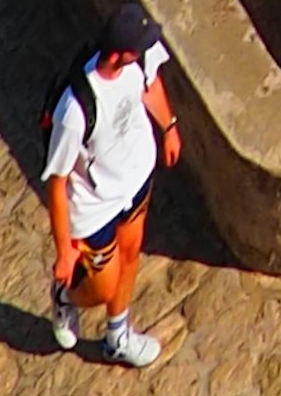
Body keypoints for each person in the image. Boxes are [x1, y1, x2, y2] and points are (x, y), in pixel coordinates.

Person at [41, 32, 181, 364]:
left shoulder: (140, 58)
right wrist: (64, 252)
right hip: (94, 209)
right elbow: (57, 186)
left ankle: (117, 335)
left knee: (131, 254)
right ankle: (66, 295)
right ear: (121, 54)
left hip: (135, 184)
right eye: (140, 47)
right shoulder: (74, 111)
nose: (150, 49)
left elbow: (151, 85)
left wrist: (169, 126)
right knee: (101, 288)